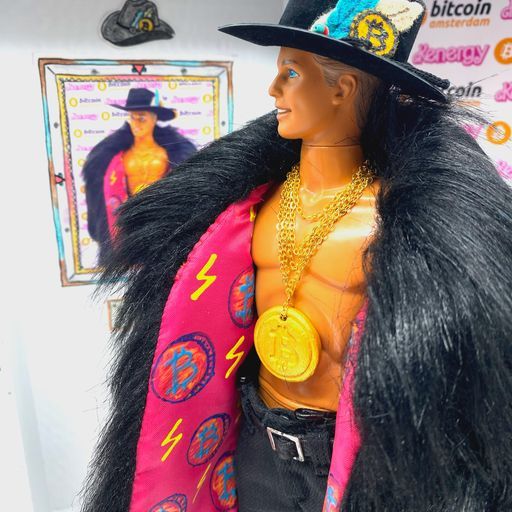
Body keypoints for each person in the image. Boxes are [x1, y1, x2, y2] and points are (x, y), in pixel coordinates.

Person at [81, 1, 512, 511]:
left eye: (290, 73)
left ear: (341, 88)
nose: (273, 90)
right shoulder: (243, 206)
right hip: (254, 434)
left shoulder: (398, 224)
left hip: (359, 457)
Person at [82, 87, 196, 264]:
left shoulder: (167, 155)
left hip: (160, 219)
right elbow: (99, 194)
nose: (136, 123)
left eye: (141, 118)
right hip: (127, 221)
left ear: (154, 118)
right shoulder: (118, 158)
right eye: (132, 117)